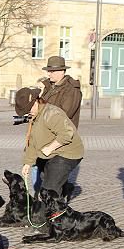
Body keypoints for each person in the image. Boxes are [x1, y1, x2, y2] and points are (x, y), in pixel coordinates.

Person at [16, 88, 84, 198]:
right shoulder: (36, 115)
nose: (28, 112)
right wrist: (28, 163)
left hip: (67, 153)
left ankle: (53, 213)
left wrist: (50, 148)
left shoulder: (52, 113)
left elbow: (67, 134)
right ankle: (65, 190)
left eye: (29, 109)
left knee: (48, 191)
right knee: (45, 179)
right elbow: (33, 141)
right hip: (51, 154)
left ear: (36, 101)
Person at [30, 56, 82, 197]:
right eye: (48, 71)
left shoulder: (72, 90)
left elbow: (64, 113)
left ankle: (50, 204)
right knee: (45, 172)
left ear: (62, 71)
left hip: (60, 138)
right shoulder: (48, 87)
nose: (49, 74)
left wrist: (43, 113)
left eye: (52, 71)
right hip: (46, 135)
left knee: (51, 177)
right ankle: (62, 191)